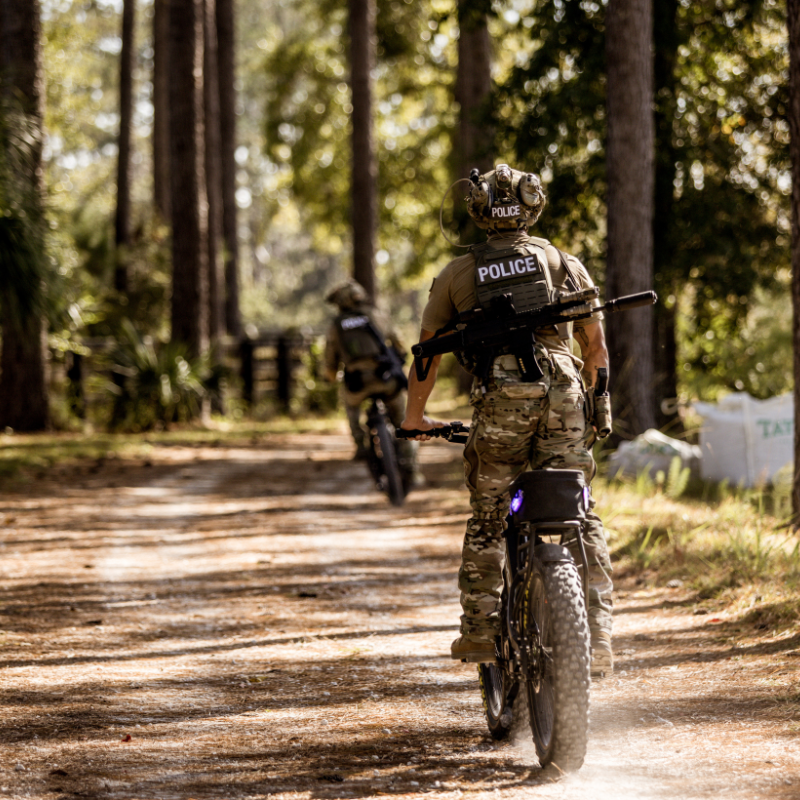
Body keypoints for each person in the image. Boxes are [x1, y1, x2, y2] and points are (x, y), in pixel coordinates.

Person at [400, 164, 614, 676]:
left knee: (490, 517)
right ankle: (599, 637)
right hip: (564, 395)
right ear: (532, 205)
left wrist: (416, 418)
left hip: (501, 402)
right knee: (578, 512)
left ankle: (478, 633)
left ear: (477, 211)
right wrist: (598, 405)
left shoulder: (458, 274)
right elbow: (596, 346)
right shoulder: (563, 262)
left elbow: (427, 355)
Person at [324, 279, 421, 487]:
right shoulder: (376, 315)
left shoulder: (336, 325)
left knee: (351, 408)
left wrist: (330, 377)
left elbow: (330, 361)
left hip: (357, 385)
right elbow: (399, 343)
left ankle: (359, 444)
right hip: (386, 380)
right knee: (403, 422)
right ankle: (412, 469)